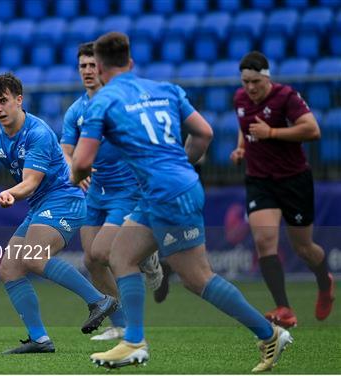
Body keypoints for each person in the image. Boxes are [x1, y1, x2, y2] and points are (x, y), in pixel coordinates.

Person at [72, 32, 292, 372]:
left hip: (167, 195)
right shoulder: (165, 89)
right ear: (130, 63)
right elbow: (204, 133)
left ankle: (269, 334)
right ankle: (133, 340)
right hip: (168, 188)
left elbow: (83, 163)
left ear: (99, 68)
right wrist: (180, 169)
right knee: (121, 255)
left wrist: (75, 178)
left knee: (197, 278)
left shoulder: (103, 101)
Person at [0, 73, 117, 354]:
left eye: (3, 101)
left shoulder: (38, 132)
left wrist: (11, 193)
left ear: (19, 100)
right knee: (9, 269)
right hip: (39, 205)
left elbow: (31, 182)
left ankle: (98, 300)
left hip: (64, 199)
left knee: (33, 256)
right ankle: (40, 339)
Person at [60, 42, 168, 341]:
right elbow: (65, 150)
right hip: (95, 193)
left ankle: (146, 258)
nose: (87, 71)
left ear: (103, 68)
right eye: (82, 66)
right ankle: (119, 325)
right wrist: (75, 170)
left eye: (92, 65)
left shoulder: (119, 103)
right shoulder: (76, 110)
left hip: (127, 190)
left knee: (102, 251)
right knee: (91, 261)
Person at [230, 51, 335, 328]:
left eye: (255, 81)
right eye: (245, 82)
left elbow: (312, 130)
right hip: (259, 180)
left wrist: (272, 133)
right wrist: (242, 146)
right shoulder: (240, 99)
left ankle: (324, 282)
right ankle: (285, 308)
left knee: (304, 248)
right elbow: (245, 126)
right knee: (264, 241)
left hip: (293, 179)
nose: (250, 88)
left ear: (267, 78)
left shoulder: (286, 97)